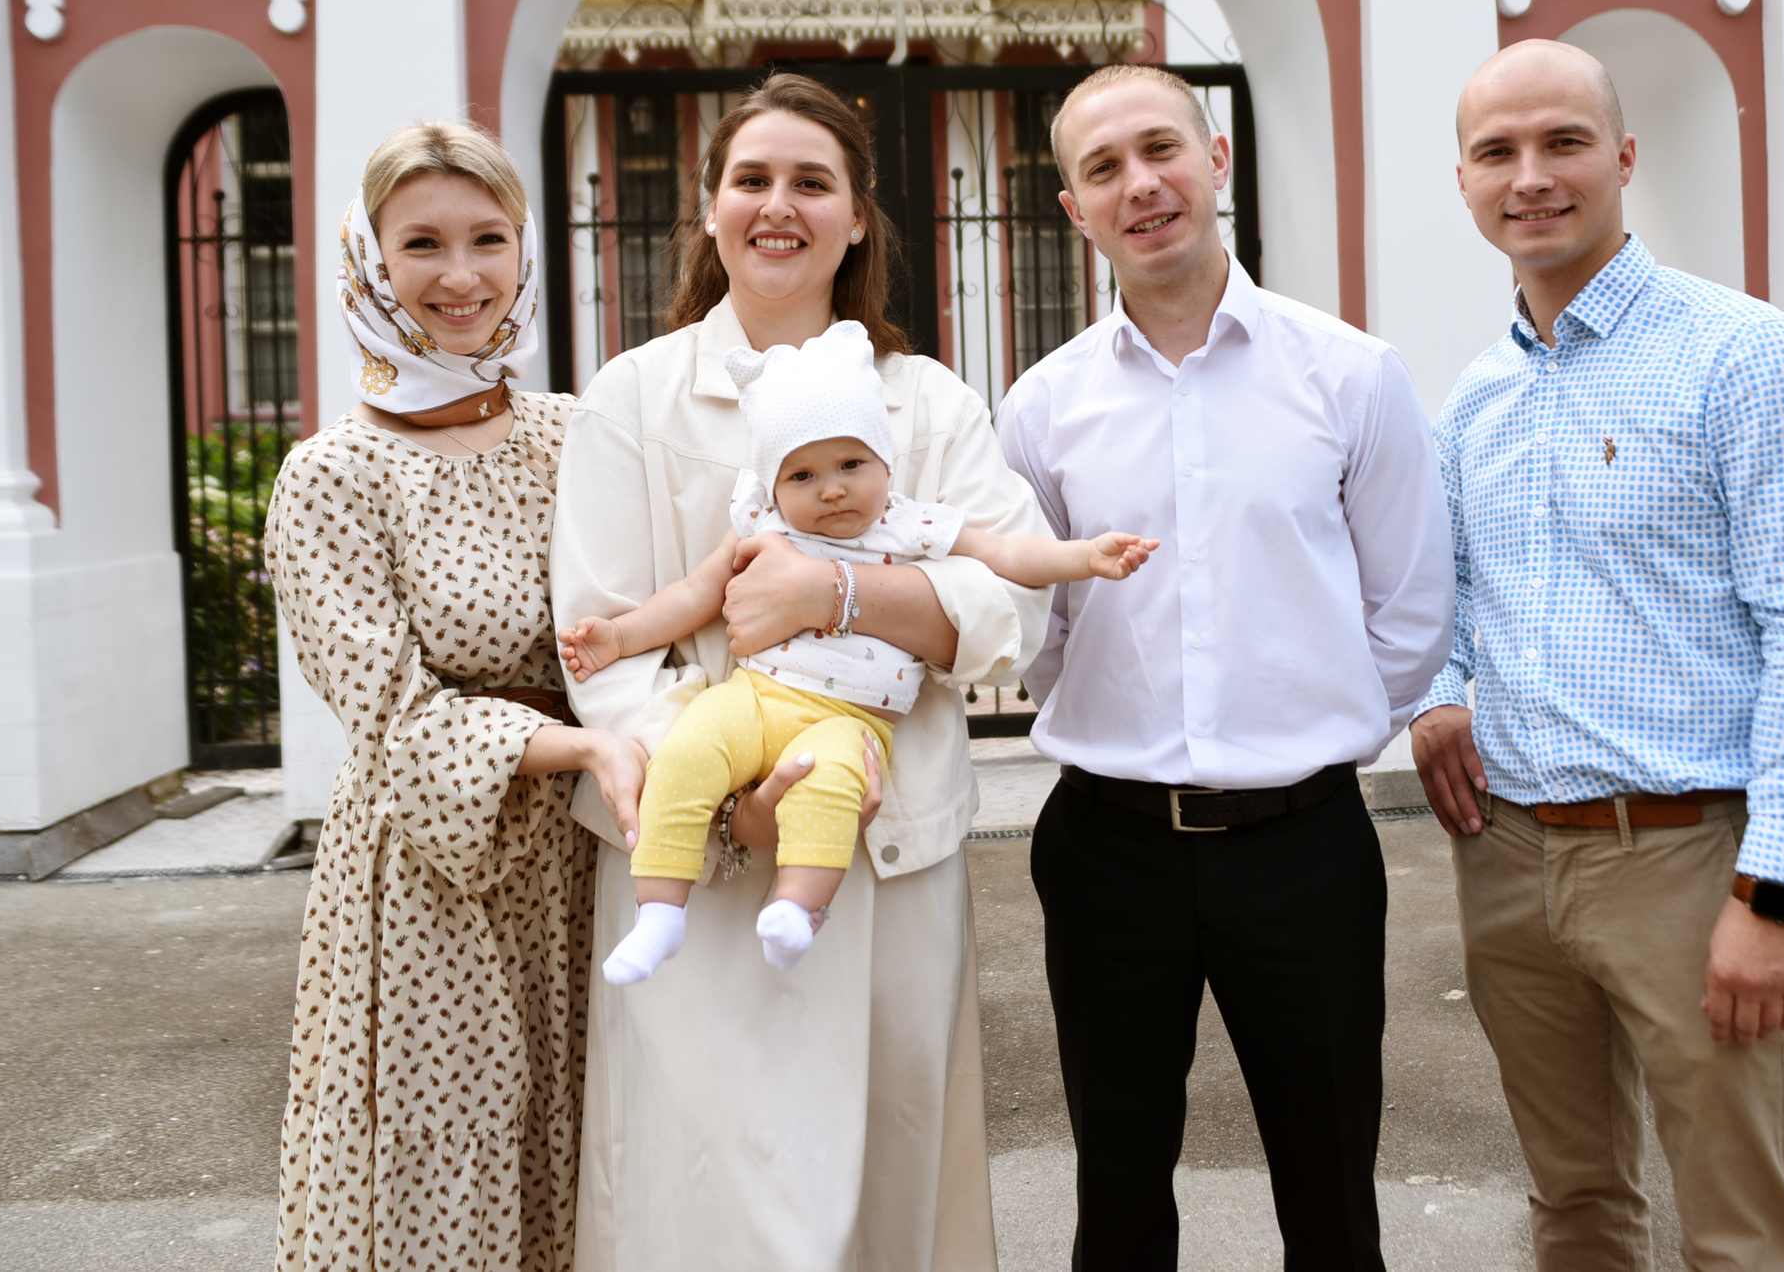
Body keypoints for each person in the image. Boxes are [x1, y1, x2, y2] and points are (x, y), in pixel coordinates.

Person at [550, 74, 1052, 1271]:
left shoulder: (923, 399)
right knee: (706, 1198)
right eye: (752, 179)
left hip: (884, 850)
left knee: (888, 1190)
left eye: (812, 182)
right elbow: (604, 631)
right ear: (711, 210)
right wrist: (732, 789)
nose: (779, 206)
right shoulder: (633, 394)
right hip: (694, 859)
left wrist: (836, 593)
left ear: (859, 218)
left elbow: (1004, 610)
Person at [1410, 38, 1784, 1272]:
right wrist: (1443, 698)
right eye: (1496, 152)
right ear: (1460, 178)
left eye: (1562, 142)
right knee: (1572, 1208)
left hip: (1687, 855)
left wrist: (1773, 895)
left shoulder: (1747, 356)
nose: (1531, 177)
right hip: (1508, 862)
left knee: (1741, 1231)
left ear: (1621, 155)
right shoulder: (1474, 399)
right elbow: (1456, 601)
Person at [995, 64, 1455, 1272]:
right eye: (1103, 169)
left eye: (1160, 150)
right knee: (1119, 1190)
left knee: (1328, 1187)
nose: (1139, 184)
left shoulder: (1350, 372)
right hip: (1107, 847)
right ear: (1072, 209)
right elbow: (1032, 626)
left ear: (1215, 159)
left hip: (1302, 847)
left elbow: (1409, 605)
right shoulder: (1043, 408)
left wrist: (1309, 725)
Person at [265, 122, 652, 1272]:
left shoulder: (569, 432)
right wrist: (577, 748)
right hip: (435, 878)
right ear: (369, 261)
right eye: (422, 243)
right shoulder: (333, 475)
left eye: (489, 237)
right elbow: (393, 712)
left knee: (587, 1156)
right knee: (451, 1168)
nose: (461, 275)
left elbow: (643, 612)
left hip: (587, 862)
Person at [563, 318, 1154, 983]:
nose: (832, 488)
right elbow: (694, 596)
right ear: (773, 483)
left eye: (851, 464)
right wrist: (622, 634)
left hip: (852, 721)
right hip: (755, 698)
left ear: (884, 464)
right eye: (803, 474)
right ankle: (660, 911)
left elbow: (1009, 553)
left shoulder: (907, 523)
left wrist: (1084, 556)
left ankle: (796, 909)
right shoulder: (762, 523)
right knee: (687, 754)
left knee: (833, 789)